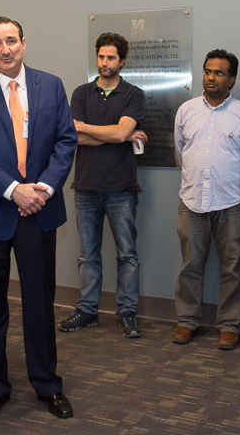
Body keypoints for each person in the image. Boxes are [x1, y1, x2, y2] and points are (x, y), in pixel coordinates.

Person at [0, 17, 77, 420]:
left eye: (11, 40)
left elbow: (66, 141)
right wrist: (13, 190)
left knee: (39, 304)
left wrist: (43, 189)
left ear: (24, 43)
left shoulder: (51, 86)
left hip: (38, 211)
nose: (5, 49)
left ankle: (47, 385)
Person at [57, 33, 147, 338]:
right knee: (88, 255)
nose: (105, 62)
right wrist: (116, 134)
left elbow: (119, 133)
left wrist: (93, 129)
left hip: (121, 187)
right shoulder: (81, 93)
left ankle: (127, 311)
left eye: (111, 58)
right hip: (85, 186)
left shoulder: (133, 94)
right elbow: (74, 137)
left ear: (122, 61)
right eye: (101, 57)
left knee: (127, 255)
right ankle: (87, 310)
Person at [172, 49, 240, 350]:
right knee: (190, 265)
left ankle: (229, 325)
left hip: (231, 202)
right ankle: (187, 321)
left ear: (231, 79)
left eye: (219, 73)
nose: (211, 77)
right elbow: (181, 152)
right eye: (208, 71)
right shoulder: (186, 111)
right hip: (192, 201)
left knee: (232, 267)